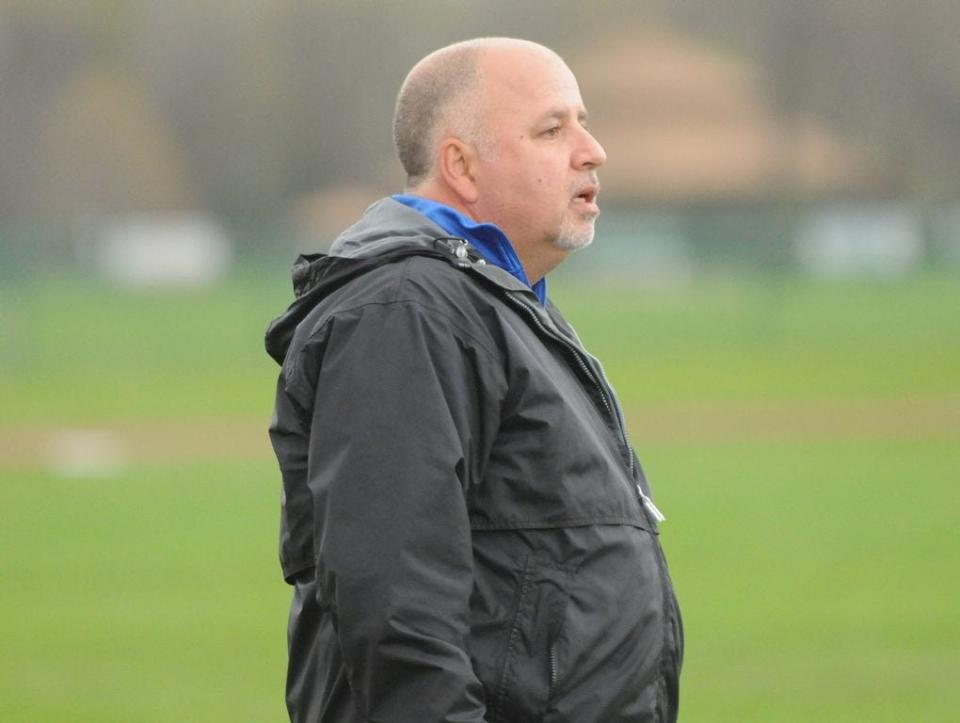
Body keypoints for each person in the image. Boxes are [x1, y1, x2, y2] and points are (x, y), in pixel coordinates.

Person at [265, 37, 682, 723]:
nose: (591, 149)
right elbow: (396, 609)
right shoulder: (406, 311)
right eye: (552, 129)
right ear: (460, 163)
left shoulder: (487, 300)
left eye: (583, 121)